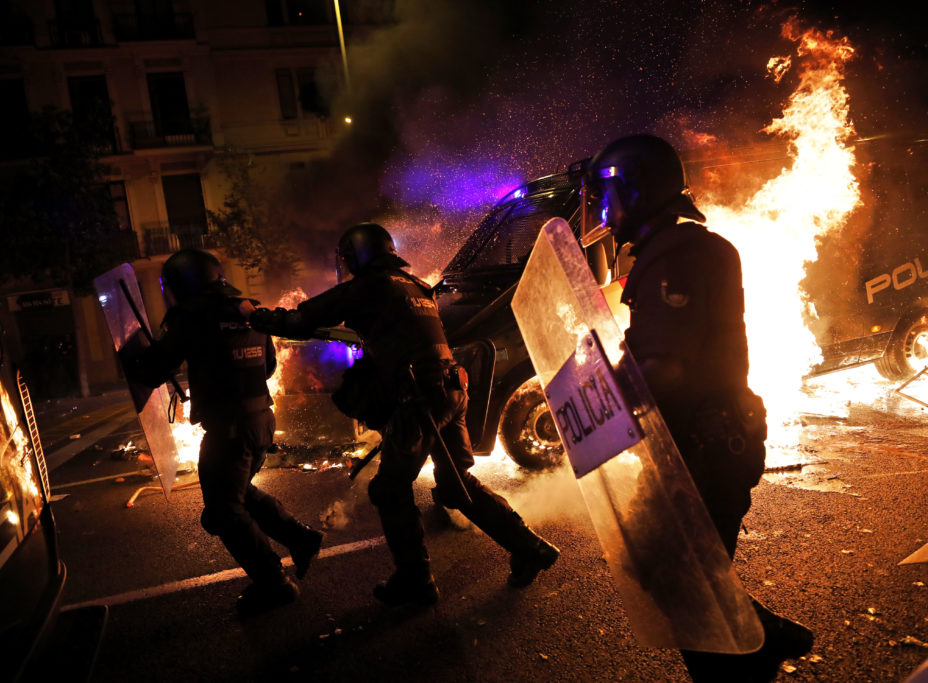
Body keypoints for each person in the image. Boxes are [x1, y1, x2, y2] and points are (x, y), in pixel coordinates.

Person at [586, 134, 813, 681]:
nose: (601, 212)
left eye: (607, 198)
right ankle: (759, 638)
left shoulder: (682, 256)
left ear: (637, 193)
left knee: (689, 603)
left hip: (706, 453)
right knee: (678, 577)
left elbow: (666, 366)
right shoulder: (674, 252)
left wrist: (601, 398)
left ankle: (753, 650)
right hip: (686, 447)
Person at [247, 223, 559, 606]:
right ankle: (530, 548)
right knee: (454, 484)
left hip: (420, 399)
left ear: (357, 258)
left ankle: (416, 582)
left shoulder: (371, 286)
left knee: (389, 489)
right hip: (449, 391)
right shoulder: (413, 287)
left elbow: (299, 321)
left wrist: (257, 317)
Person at [122, 248, 324, 617]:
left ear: (182, 283)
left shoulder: (190, 315)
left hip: (229, 430)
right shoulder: (247, 307)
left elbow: (153, 371)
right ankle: (300, 537)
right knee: (238, 493)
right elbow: (267, 367)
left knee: (223, 510)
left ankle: (274, 582)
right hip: (261, 421)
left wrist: (134, 358)